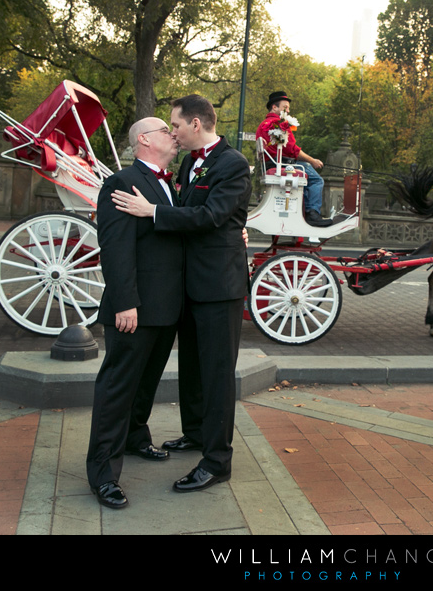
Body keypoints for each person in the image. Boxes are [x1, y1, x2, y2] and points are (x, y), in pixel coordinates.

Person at [111, 94, 251, 493]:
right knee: (192, 366)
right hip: (188, 286)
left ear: (195, 124)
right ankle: (195, 433)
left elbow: (210, 216)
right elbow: (191, 209)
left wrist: (151, 213)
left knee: (218, 373)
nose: (171, 132)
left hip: (218, 287)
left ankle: (217, 461)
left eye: (175, 125)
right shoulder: (190, 162)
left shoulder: (233, 163)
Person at [85, 117, 183, 510]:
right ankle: (103, 475)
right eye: (165, 130)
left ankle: (136, 438)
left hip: (165, 307)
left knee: (146, 382)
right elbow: (115, 247)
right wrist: (125, 301)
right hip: (135, 308)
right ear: (144, 140)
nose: (173, 135)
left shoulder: (169, 183)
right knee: (117, 389)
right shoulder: (121, 183)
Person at [255, 90, 332, 227]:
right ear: (274, 107)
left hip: (270, 163)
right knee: (316, 180)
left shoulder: (263, 125)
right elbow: (292, 150)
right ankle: (312, 213)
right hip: (284, 164)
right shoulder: (278, 123)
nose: (288, 111)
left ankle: (306, 211)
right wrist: (312, 160)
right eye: (285, 107)